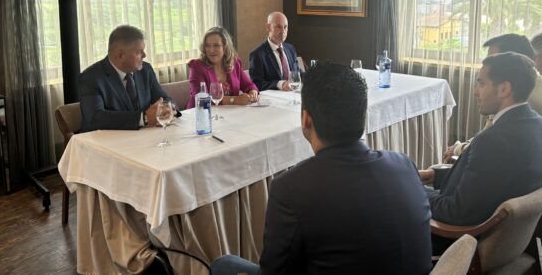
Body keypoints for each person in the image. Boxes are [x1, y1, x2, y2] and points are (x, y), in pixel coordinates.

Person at [211, 63, 432, 275]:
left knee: (224, 265)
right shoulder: (404, 164)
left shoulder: (290, 189)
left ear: (306, 119)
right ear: (363, 116)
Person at [421, 52, 542, 250]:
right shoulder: (536, 124)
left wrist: (413, 189)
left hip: (460, 241)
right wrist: (433, 175)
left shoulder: (493, 140)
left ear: (504, 89)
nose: (476, 92)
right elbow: (492, 179)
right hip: (513, 240)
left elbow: (457, 213)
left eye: (481, 83)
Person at [442, 33, 539, 162]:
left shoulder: (525, 100)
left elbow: (494, 143)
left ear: (512, 60)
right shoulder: (518, 90)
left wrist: (459, 149)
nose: (488, 63)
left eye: (493, 58)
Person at [79, 25, 174, 132]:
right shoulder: (90, 78)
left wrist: (168, 109)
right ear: (120, 55)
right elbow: (96, 118)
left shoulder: (145, 70)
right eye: (138, 52)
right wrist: (143, 118)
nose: (144, 55)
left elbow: (164, 99)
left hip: (142, 136)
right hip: (104, 139)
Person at [187, 27, 258, 109]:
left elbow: (249, 85)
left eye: (216, 45)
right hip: (201, 113)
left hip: (229, 112)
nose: (211, 50)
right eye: (207, 46)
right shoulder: (197, 67)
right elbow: (202, 99)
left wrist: (253, 92)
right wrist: (234, 100)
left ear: (225, 47)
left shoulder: (234, 62)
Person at [249, 11, 300, 91]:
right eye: (278, 27)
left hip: (293, 94)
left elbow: (297, 73)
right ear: (268, 27)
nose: (283, 31)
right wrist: (280, 84)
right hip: (274, 97)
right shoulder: (257, 54)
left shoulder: (290, 49)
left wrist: (314, 76)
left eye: (285, 27)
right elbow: (257, 84)